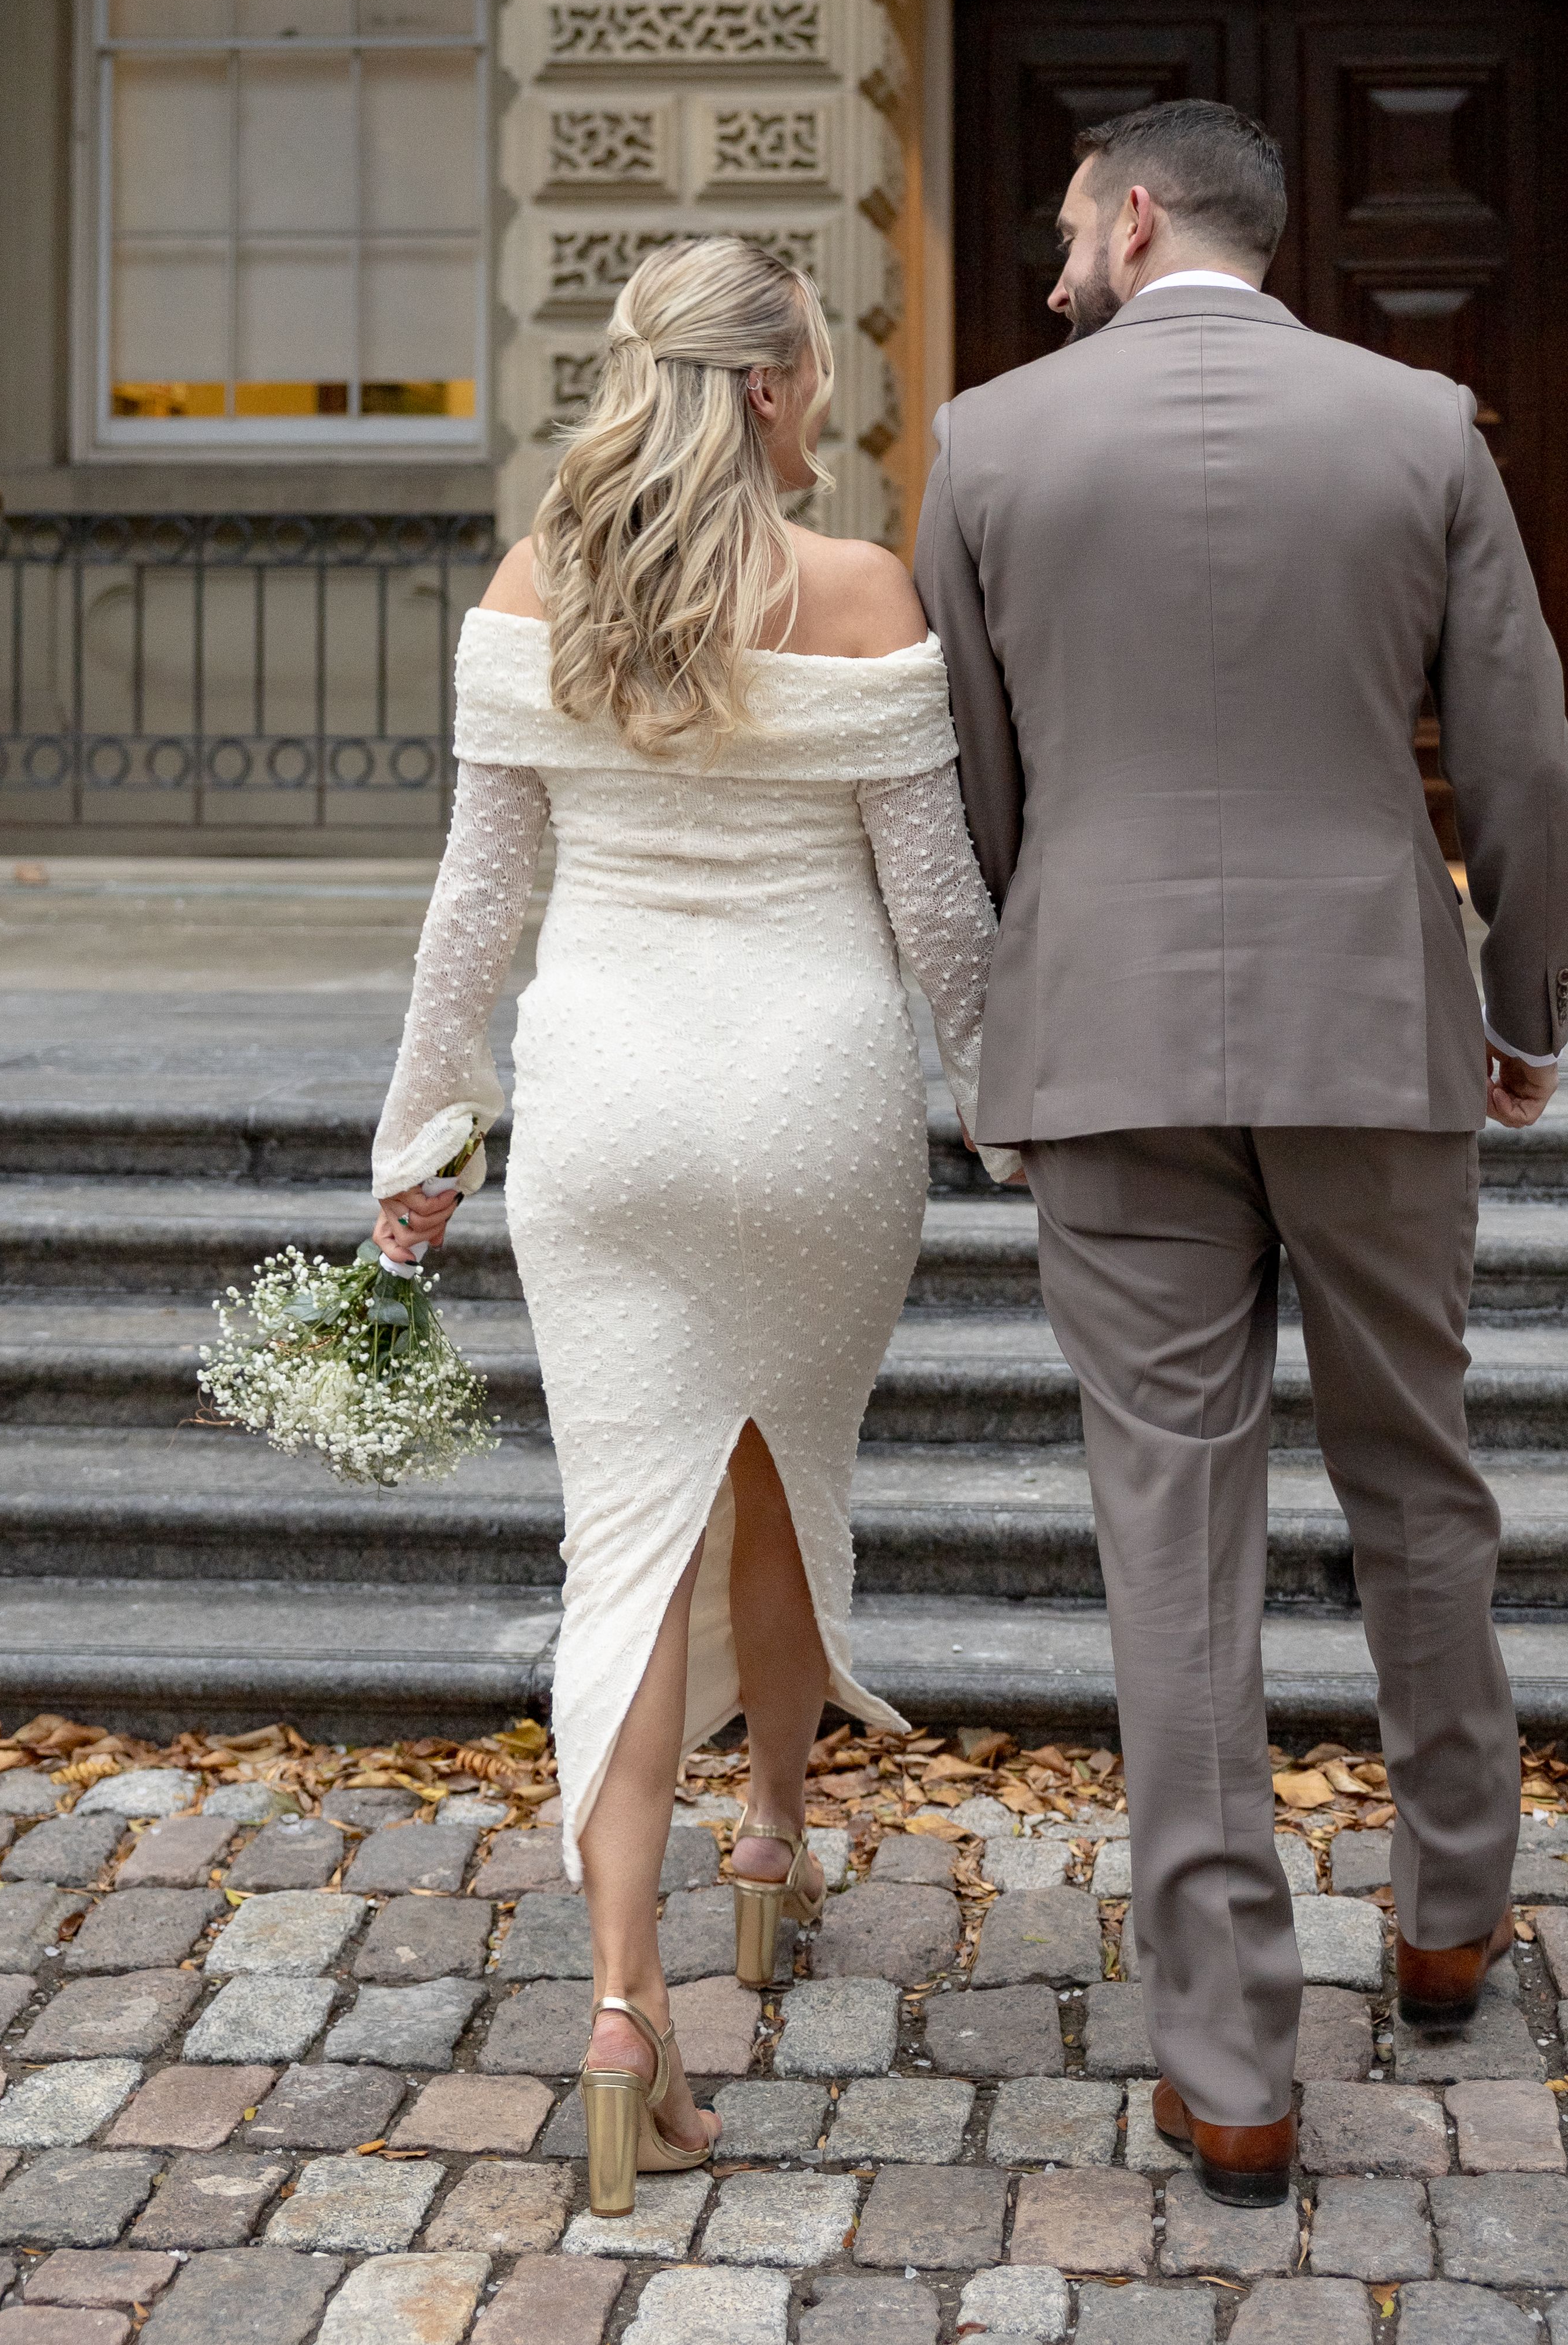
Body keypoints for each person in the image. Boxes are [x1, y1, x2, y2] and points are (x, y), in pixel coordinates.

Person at [915, 94, 1568, 2211]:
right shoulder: (1419, 424)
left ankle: (1229, 2066)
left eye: (1060, 230)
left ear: (1130, 219)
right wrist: (1528, 1005)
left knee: (1170, 1540)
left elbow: (969, 779)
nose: (1050, 267)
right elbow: (1526, 762)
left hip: (1107, 1027)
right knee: (1418, 1475)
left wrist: (1033, 984)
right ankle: (1450, 1911)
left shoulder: (988, 444)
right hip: (1370, 1014)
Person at [369, 236, 1011, 2216]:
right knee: (784, 1474)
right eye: (816, 364)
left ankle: (628, 2001)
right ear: (766, 388)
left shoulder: (535, 586)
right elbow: (938, 918)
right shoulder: (857, 591)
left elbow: (477, 901)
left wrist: (419, 1121)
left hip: (612, 1105)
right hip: (817, 1103)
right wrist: (999, 1106)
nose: (827, 394)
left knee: (626, 1542)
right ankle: (773, 1831)